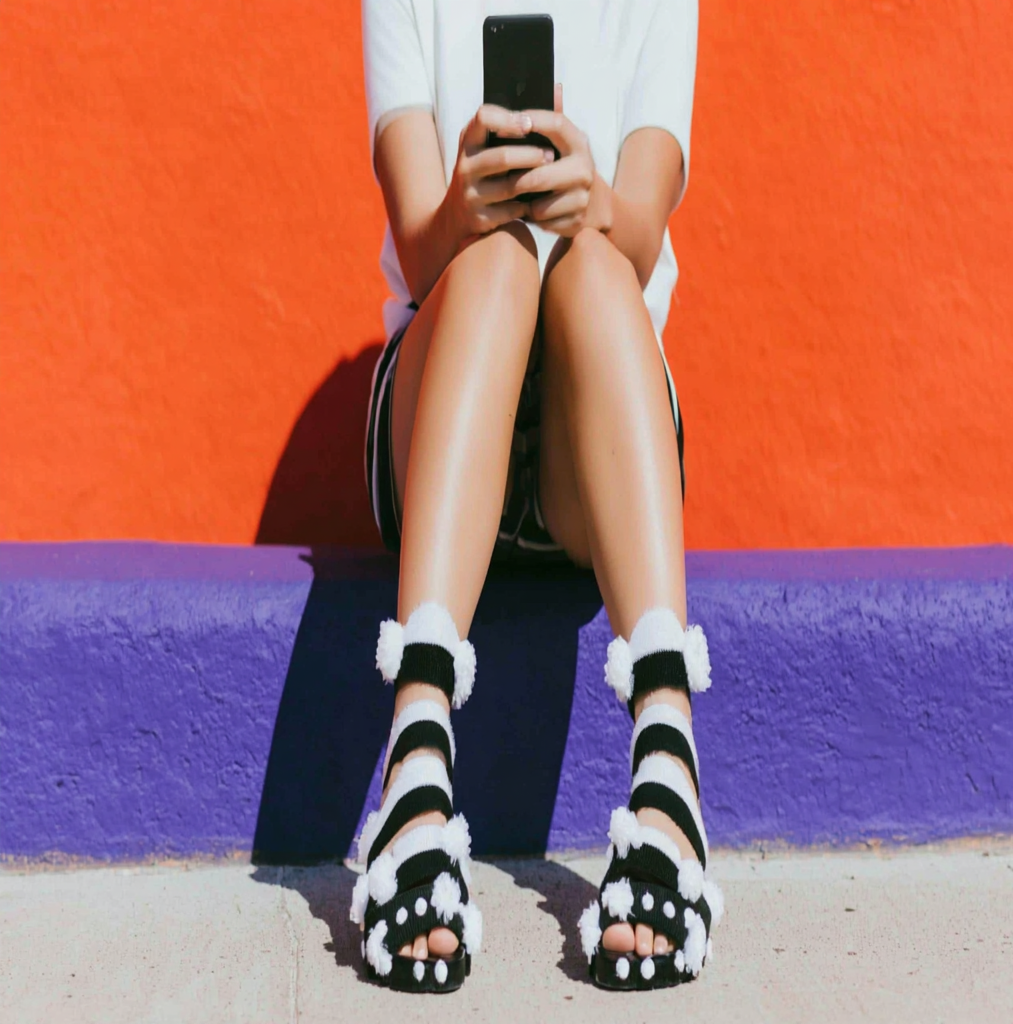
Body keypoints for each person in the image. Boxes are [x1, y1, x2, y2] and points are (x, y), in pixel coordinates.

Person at [350, 0, 722, 993]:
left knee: (593, 266)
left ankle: (667, 774)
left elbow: (641, 232)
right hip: (444, 405)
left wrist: (591, 201)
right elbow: (417, 238)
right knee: (497, 260)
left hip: (590, 443)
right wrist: (468, 211)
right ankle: (416, 773)